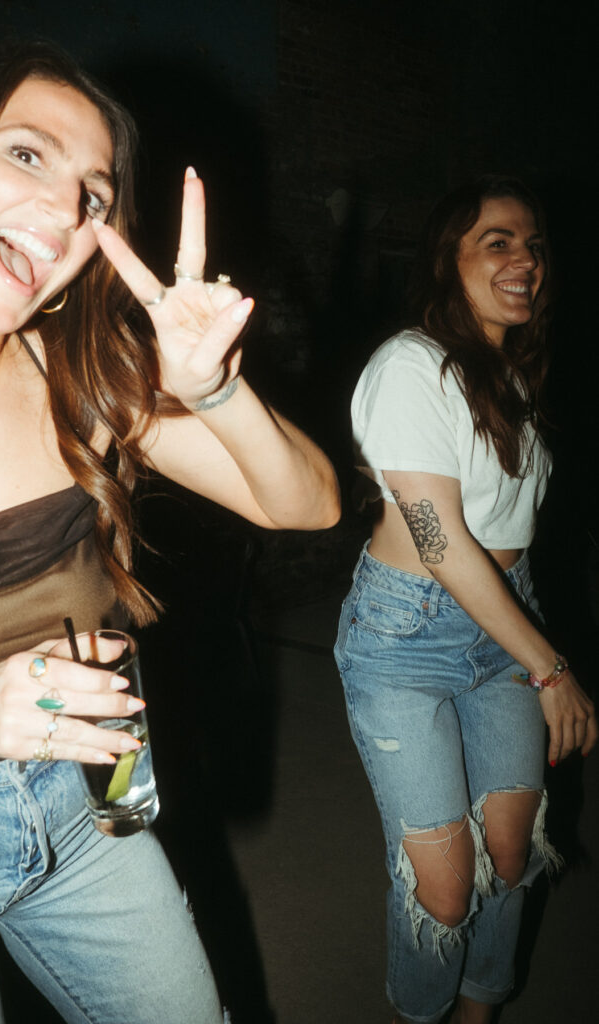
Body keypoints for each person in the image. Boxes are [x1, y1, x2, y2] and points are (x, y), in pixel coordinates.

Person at [0, 41, 340, 1024]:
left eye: (94, 197)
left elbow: (308, 504)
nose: (64, 210)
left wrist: (215, 390)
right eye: (27, 154)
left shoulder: (82, 380)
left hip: (88, 810)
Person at [334, 175, 597, 1024]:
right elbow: (438, 540)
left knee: (511, 853)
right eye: (498, 242)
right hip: (404, 636)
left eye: (534, 245)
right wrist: (550, 668)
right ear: (448, 261)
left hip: (504, 617)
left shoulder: (510, 375)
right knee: (445, 893)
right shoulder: (409, 366)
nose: (525, 260)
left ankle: (479, 1013)